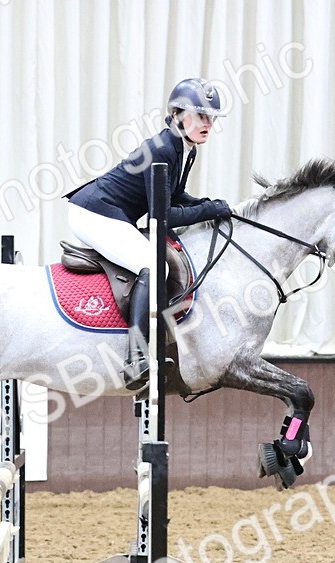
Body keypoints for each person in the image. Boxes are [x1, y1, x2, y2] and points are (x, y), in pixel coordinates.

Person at [65, 77, 233, 390]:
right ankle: (135, 358)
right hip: (93, 212)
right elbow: (163, 217)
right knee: (154, 265)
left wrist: (211, 204)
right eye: (201, 116)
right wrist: (210, 211)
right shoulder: (163, 148)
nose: (208, 124)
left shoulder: (186, 148)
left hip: (112, 212)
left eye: (211, 118)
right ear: (179, 113)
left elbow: (177, 196)